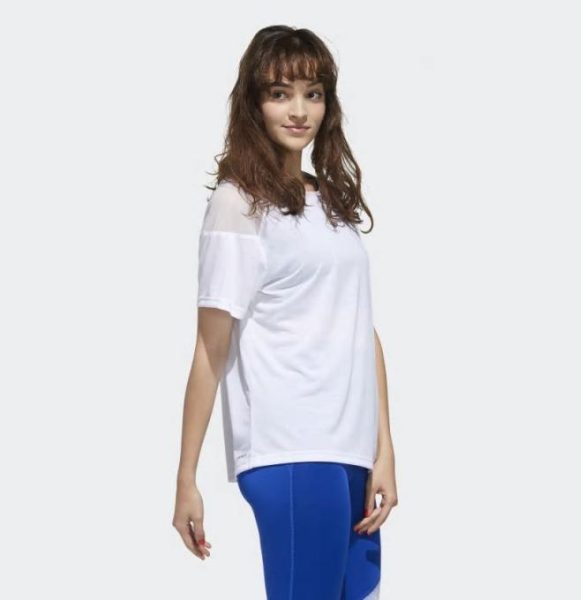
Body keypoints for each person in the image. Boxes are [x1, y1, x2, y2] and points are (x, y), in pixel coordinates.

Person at [172, 25, 398, 599]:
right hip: (291, 448)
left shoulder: (332, 201)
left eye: (312, 94)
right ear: (254, 102)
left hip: (350, 451)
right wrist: (186, 477)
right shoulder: (237, 203)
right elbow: (210, 348)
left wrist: (384, 449)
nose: (299, 111)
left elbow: (361, 328)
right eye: (280, 94)